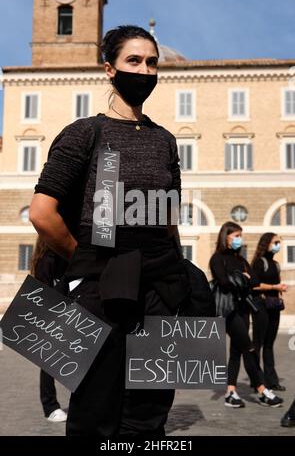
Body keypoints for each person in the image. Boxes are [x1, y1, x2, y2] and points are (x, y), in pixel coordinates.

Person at [29, 25, 215, 437]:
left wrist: (177, 280)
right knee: (95, 411)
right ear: (109, 69)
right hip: (103, 290)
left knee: (150, 413)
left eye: (152, 62)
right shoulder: (84, 132)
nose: (145, 70)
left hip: (160, 289)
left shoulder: (165, 140)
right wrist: (89, 263)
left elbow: (169, 221)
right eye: (134, 60)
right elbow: (42, 213)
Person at [209, 221, 283, 409]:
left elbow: (255, 281)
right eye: (236, 236)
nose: (239, 240)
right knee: (249, 347)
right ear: (226, 236)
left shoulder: (241, 259)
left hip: (243, 310)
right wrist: (242, 278)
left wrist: (241, 278)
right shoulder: (217, 258)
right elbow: (224, 282)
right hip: (229, 311)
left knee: (236, 351)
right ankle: (262, 390)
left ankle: (230, 392)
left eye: (240, 236)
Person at [30, 236, 68, 422]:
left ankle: (51, 405)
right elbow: (46, 290)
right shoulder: (49, 260)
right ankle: (50, 406)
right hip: (52, 315)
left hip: (62, 314)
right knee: (49, 362)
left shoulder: (47, 257)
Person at [251, 233, 288, 391]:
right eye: (275, 242)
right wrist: (274, 287)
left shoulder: (276, 264)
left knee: (269, 344)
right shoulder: (260, 262)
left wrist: (280, 288)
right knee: (258, 343)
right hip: (261, 306)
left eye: (279, 242)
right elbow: (254, 285)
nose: (278, 245)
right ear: (266, 243)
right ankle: (257, 381)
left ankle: (272, 381)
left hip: (274, 306)